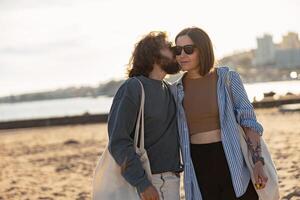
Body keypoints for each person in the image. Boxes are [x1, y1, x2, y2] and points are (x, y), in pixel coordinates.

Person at [171, 27, 268, 200]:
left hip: (231, 159)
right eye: (177, 50)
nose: (182, 55)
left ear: (203, 49)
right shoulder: (175, 90)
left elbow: (249, 122)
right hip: (197, 163)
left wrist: (258, 162)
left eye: (188, 49)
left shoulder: (228, 78)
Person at [108, 31, 183, 200]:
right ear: (153, 55)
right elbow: (118, 141)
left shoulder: (170, 89)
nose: (176, 52)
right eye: (170, 47)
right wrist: (143, 184)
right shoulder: (133, 88)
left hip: (172, 179)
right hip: (148, 181)